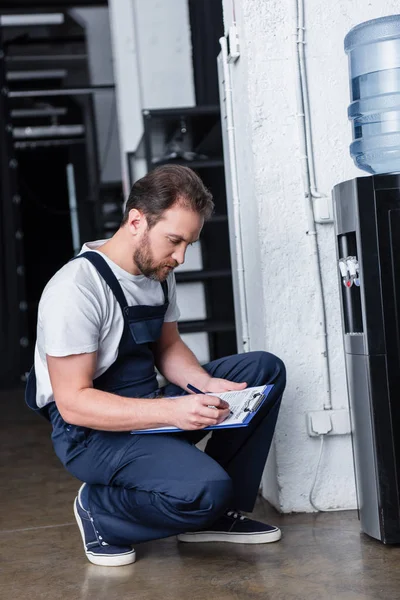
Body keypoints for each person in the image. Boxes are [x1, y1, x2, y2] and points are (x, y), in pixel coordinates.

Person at [26, 165, 286, 567]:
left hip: (148, 407)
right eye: (174, 241)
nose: (180, 257)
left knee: (263, 371)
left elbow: (168, 347)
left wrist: (204, 383)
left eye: (189, 244)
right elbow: (74, 403)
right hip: (91, 433)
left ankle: (210, 518)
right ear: (136, 221)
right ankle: (102, 510)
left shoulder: (157, 270)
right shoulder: (75, 290)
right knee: (207, 489)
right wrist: (172, 411)